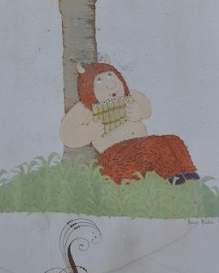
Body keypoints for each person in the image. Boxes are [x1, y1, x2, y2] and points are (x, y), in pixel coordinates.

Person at [60, 61, 199, 186]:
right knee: (154, 146)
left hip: (139, 149)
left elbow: (147, 109)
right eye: (99, 81)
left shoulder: (131, 96)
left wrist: (139, 111)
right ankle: (174, 179)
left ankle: (188, 174)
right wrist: (90, 132)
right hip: (115, 160)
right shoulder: (85, 109)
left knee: (173, 140)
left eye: (110, 76)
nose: (111, 85)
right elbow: (66, 134)